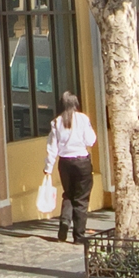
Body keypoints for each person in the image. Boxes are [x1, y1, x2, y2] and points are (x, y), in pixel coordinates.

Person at [46, 92, 98, 243]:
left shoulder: (56, 122)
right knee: (81, 199)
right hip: (82, 161)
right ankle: (79, 236)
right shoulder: (83, 118)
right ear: (76, 104)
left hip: (65, 163)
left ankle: (64, 222)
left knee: (68, 194)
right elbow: (90, 140)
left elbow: (52, 147)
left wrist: (48, 168)